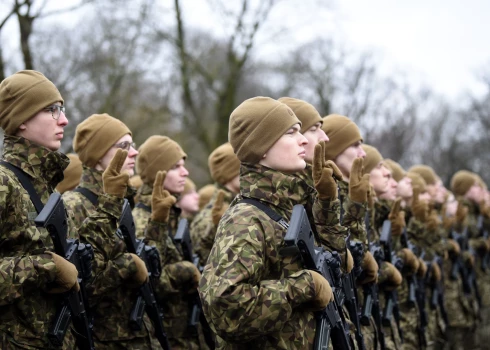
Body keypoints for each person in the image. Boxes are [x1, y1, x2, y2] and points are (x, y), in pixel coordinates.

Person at [199, 96, 334, 348]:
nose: (303, 139)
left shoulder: (286, 208)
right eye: (291, 132)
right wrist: (303, 287)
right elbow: (228, 310)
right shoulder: (246, 218)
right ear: (261, 146)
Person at [0, 70, 79, 349]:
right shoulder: (3, 184)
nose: (64, 120)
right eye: (52, 110)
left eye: (62, 109)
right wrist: (45, 267)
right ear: (22, 119)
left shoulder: (47, 188)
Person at [134, 135, 206, 350]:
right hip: (161, 336)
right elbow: (144, 284)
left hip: (182, 332)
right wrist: (182, 272)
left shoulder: (173, 215)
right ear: (159, 173)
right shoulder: (142, 220)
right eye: (176, 167)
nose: (185, 172)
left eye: (183, 166)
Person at [62, 113, 138, 228]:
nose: (134, 152)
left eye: (132, 145)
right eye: (123, 146)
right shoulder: (73, 205)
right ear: (99, 154)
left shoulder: (123, 201)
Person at [190, 142, 240, 264]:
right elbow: (206, 263)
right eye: (244, 167)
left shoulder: (239, 204)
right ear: (229, 174)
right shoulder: (207, 218)